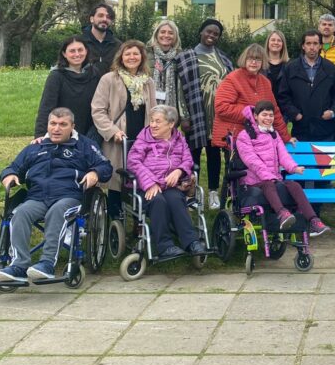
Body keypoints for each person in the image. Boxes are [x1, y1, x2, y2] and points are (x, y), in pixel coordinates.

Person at [0, 108, 112, 283]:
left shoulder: (85, 146)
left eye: (63, 124)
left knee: (56, 212)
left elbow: (105, 166)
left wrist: (95, 172)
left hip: (69, 196)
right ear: (48, 125)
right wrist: (8, 175)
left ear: (72, 126)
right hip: (37, 197)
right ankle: (18, 265)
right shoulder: (35, 147)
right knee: (20, 213)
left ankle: (47, 263)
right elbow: (13, 167)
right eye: (53, 124)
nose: (57, 129)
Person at [234, 101, 330, 236]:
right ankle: (282, 213)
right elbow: (251, 161)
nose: (268, 118)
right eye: (264, 115)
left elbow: (283, 155)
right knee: (268, 184)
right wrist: (269, 176)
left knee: (294, 185)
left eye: (271, 115)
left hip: (273, 179)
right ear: (255, 116)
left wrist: (294, 168)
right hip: (253, 181)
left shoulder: (274, 134)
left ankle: (314, 221)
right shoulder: (244, 136)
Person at [126, 105, 206, 260]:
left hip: (170, 186)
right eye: (152, 121)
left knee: (176, 199)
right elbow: (133, 162)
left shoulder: (179, 139)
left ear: (171, 124)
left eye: (158, 121)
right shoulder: (143, 139)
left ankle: (192, 242)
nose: (153, 125)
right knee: (158, 201)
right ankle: (165, 246)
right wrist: (150, 183)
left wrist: (179, 171)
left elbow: (188, 160)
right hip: (147, 186)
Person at [91, 39, 156, 218]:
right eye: (127, 54)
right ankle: (115, 216)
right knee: (117, 177)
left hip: (141, 136)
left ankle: (137, 216)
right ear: (121, 57)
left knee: (138, 176)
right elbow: (98, 110)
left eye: (136, 54)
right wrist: (112, 131)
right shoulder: (109, 79)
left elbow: (153, 110)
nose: (132, 57)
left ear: (142, 57)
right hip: (118, 136)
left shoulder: (148, 82)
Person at [176, 19, 235, 210]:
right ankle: (192, 193)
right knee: (193, 154)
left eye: (216, 34)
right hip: (196, 113)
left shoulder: (223, 58)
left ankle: (213, 192)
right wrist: (184, 116)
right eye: (208, 31)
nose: (211, 35)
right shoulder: (187, 57)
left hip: (218, 116)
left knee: (214, 154)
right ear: (201, 32)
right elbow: (180, 89)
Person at [214, 44, 292, 149]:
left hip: (256, 138)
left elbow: (274, 111)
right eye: (250, 58)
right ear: (244, 59)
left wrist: (286, 137)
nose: (254, 62)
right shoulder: (232, 79)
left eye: (258, 59)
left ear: (263, 62)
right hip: (235, 137)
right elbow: (221, 107)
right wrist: (253, 113)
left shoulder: (265, 82)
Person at [278, 30, 335, 143]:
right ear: (303, 46)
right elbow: (283, 96)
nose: (312, 47)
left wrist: (332, 111)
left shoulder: (330, 68)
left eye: (315, 43)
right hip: (300, 129)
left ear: (320, 46)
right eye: (308, 43)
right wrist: (294, 113)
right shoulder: (291, 68)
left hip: (325, 129)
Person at [34, 36, 102, 138]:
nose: (77, 54)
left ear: (86, 51)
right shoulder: (56, 76)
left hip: (91, 132)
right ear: (64, 54)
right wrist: (40, 135)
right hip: (64, 131)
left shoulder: (94, 73)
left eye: (80, 50)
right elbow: (46, 107)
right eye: (72, 51)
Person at [146, 19, 181, 111]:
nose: (166, 35)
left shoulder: (180, 57)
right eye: (162, 32)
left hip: (172, 107)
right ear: (156, 34)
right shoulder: (145, 54)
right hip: (148, 106)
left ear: (175, 36)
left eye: (170, 33)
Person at [82, 2, 119, 70]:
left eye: (108, 17)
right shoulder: (80, 43)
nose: (104, 19)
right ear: (91, 19)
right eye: (100, 15)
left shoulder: (118, 46)